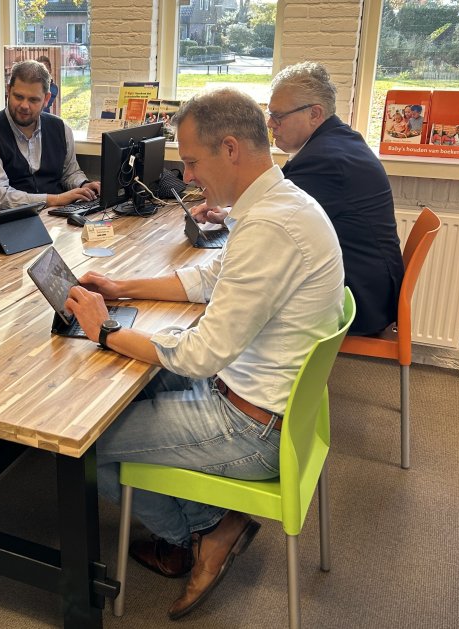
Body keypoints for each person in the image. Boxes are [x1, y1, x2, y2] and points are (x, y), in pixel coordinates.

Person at [65, 88, 344, 620]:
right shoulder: (279, 203)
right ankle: (212, 520)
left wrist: (104, 332)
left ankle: (200, 535)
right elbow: (210, 277)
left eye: (192, 161)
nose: (188, 176)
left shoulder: (270, 225)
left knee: (89, 451)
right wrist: (122, 287)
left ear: (231, 149)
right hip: (263, 399)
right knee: (140, 384)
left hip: (251, 427)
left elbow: (201, 354)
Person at [193, 61, 403, 336]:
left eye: (278, 116)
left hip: (362, 297)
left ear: (315, 113)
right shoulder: (338, 141)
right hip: (371, 284)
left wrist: (233, 215)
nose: (270, 124)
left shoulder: (325, 162)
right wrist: (229, 214)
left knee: (237, 294)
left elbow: (273, 222)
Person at [0, 60, 100, 209]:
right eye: (18, 97)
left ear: (46, 99)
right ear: (8, 90)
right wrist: (55, 199)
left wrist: (85, 185)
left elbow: (70, 173)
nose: (24, 106)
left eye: (33, 100)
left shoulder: (61, 128)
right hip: (8, 221)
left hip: (55, 217)